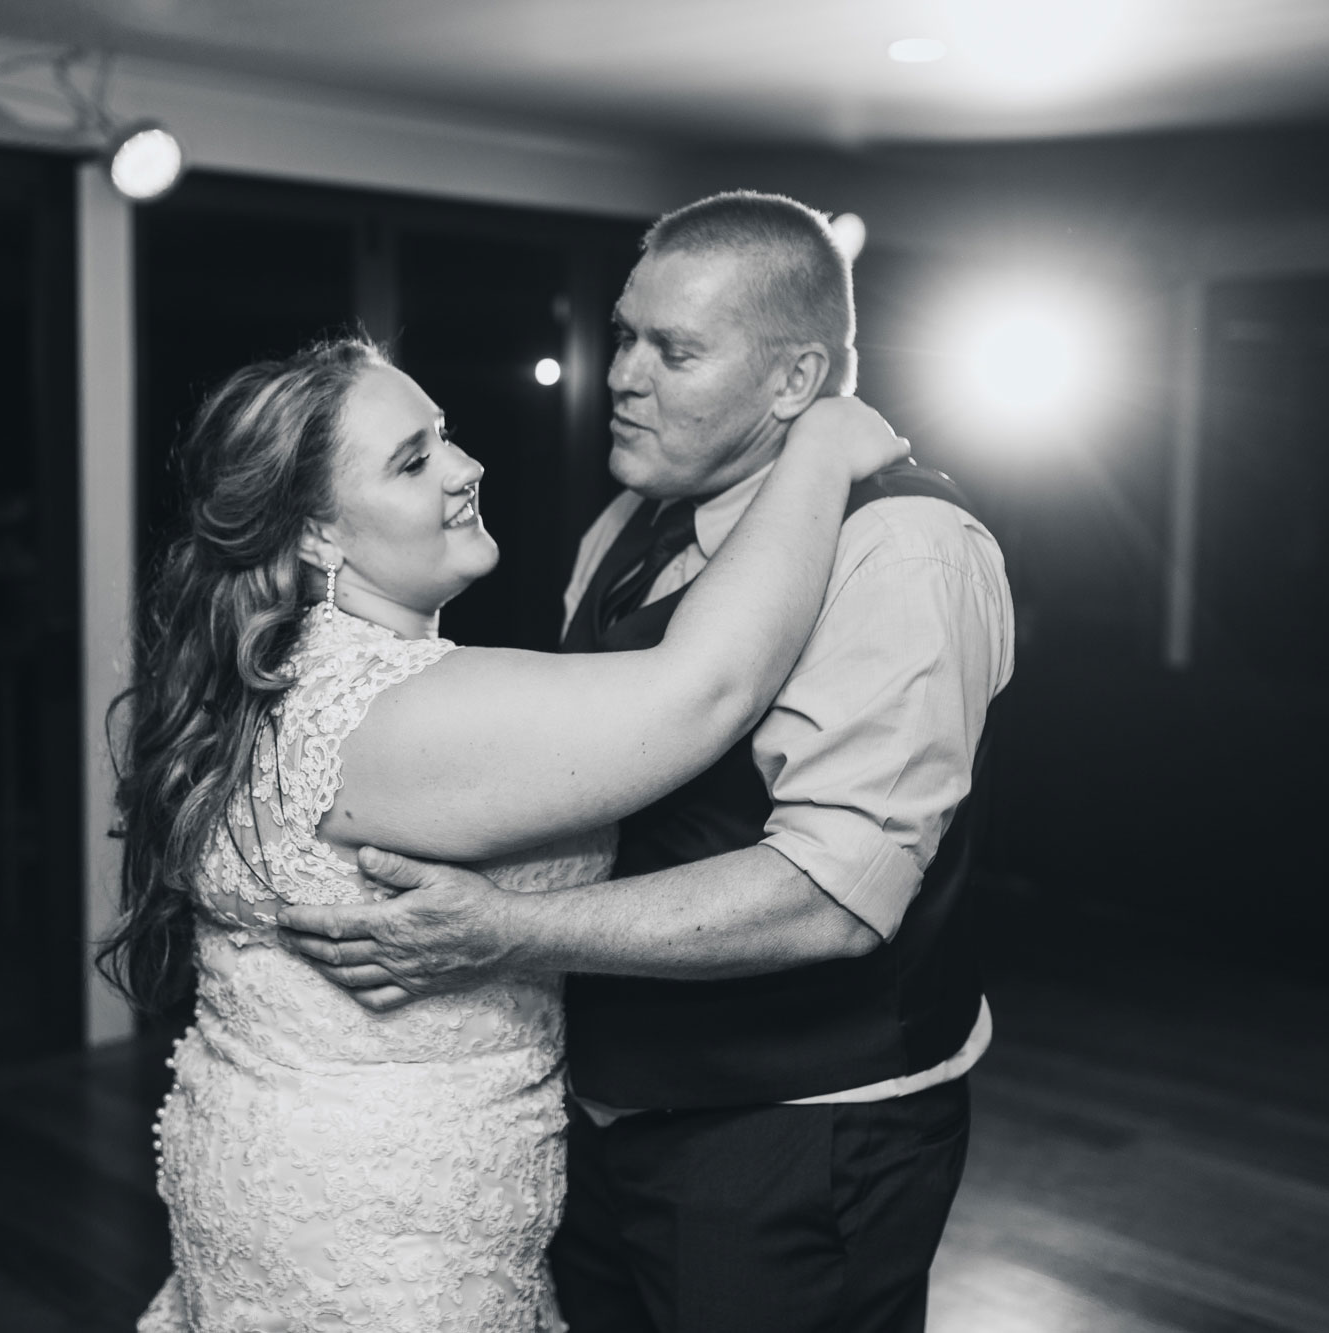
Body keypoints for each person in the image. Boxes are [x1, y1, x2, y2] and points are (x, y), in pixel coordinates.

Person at [279, 192, 1017, 1333]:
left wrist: (505, 929)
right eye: (624, 333)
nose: (621, 373)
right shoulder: (628, 518)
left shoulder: (901, 549)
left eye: (672, 350)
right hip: (601, 1111)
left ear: (792, 380)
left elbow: (829, 898)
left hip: (796, 1127)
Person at [99, 333, 908, 1332]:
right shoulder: (378, 716)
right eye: (413, 459)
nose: (465, 466)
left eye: (444, 436)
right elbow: (705, 690)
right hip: (382, 1224)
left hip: (287, 1166)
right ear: (315, 534)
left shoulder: (276, 679)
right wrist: (822, 444)